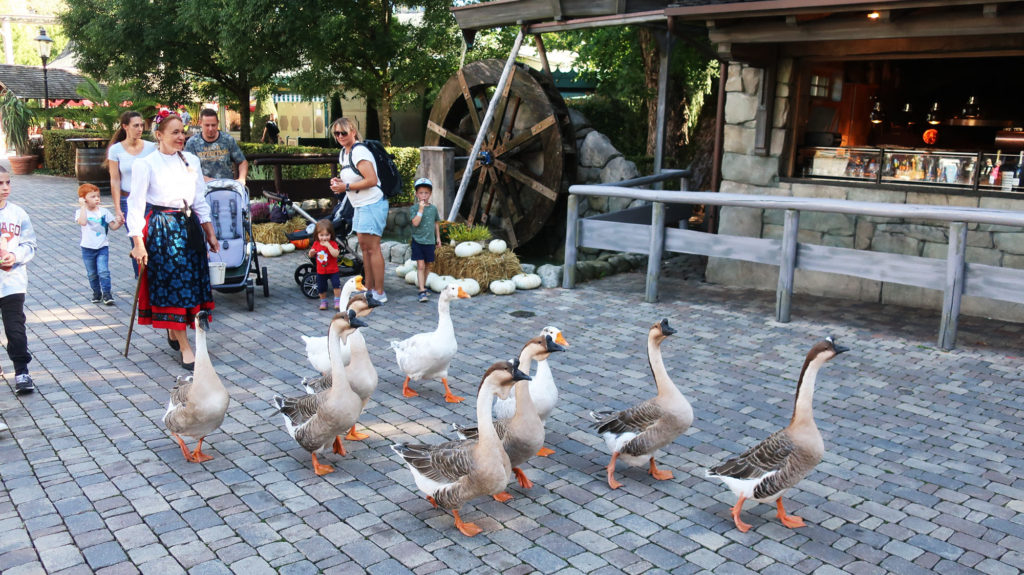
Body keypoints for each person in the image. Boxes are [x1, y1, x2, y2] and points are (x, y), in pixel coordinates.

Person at [128, 114, 219, 370]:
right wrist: (138, 242)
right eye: (175, 132)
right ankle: (185, 347)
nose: (181, 137)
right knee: (173, 286)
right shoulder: (145, 165)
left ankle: (175, 330)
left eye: (183, 132)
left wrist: (209, 232)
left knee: (192, 284)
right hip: (163, 229)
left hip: (189, 227)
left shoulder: (191, 160)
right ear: (159, 135)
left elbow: (199, 199)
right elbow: (134, 206)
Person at [329, 117, 388, 302]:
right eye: (336, 133)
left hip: (372, 203)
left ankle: (379, 292)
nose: (339, 136)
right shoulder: (343, 153)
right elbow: (353, 178)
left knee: (373, 248)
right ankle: (368, 288)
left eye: (343, 132)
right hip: (360, 205)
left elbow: (371, 180)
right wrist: (340, 182)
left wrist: (345, 187)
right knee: (364, 248)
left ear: (353, 131)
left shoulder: (359, 151)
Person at [0, 166, 37, 394]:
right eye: (0, 184)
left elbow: (30, 244)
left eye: (8, 182)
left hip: (12, 281)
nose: (5, 188)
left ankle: (22, 371)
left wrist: (15, 256)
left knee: (15, 329)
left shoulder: (19, 214)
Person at [107, 111, 157, 278]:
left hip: (148, 200)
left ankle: (153, 279)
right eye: (136, 125)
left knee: (152, 240)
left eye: (142, 125)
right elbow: (115, 180)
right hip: (127, 200)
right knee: (137, 240)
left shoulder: (151, 148)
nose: (140, 128)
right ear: (125, 127)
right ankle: (140, 280)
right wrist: (117, 208)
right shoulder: (116, 150)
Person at [76, 183, 122, 305]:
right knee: (92, 273)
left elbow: (113, 227)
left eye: (98, 196)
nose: (97, 199)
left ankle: (107, 293)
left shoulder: (104, 211)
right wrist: (82, 207)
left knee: (103, 272)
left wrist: (120, 222)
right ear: (84, 199)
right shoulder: (80, 212)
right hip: (87, 248)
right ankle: (97, 293)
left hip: (102, 247)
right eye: (93, 196)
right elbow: (83, 222)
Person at [185, 108, 248, 183]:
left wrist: (242, 179)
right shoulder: (192, 143)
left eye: (213, 125)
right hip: (202, 188)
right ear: (200, 123)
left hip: (226, 188)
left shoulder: (227, 140)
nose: (210, 128)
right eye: (207, 125)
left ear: (218, 123)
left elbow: (242, 162)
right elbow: (186, 168)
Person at [409, 178, 441, 303]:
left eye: (426, 193)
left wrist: (438, 238)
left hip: (430, 241)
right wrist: (421, 210)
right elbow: (415, 223)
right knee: (420, 265)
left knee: (428, 265)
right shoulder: (414, 208)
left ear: (430, 194)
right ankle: (422, 290)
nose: (423, 195)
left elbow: (436, 222)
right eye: (421, 193)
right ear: (416, 194)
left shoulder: (433, 209)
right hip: (418, 241)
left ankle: (423, 285)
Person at [308, 219, 342, 310]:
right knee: (321, 287)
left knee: (336, 285)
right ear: (317, 235)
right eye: (321, 235)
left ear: (331, 234)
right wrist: (311, 252)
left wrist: (329, 246)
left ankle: (337, 300)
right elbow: (310, 254)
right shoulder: (316, 244)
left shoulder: (333, 243)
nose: (324, 238)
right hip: (321, 270)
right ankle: (323, 301)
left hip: (333, 270)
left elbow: (336, 254)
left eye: (327, 235)